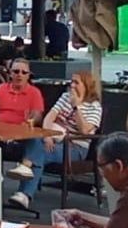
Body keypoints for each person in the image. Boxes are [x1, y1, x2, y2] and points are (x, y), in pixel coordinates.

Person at [8, 70, 104, 210]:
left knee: (37, 152)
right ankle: (24, 195)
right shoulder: (65, 97)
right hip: (54, 139)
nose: (72, 85)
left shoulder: (94, 107)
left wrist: (76, 106)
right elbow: (49, 118)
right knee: (36, 142)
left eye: (76, 82)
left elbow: (84, 130)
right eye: (72, 81)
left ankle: (25, 180)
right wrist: (47, 135)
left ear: (87, 85)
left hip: (74, 148)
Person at [0, 56, 48, 189]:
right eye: (16, 71)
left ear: (28, 75)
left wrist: (30, 121)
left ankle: (22, 191)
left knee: (37, 142)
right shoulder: (2, 88)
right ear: (10, 73)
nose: (19, 75)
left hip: (19, 138)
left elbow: (37, 115)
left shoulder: (34, 92)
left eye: (23, 72)